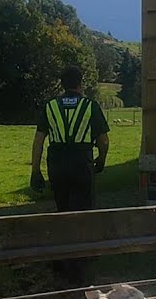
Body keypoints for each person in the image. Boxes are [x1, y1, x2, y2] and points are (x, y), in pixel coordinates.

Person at [30, 65, 110, 212]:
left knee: (63, 208)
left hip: (57, 163)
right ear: (80, 84)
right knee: (84, 209)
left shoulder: (50, 106)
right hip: (82, 163)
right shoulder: (90, 106)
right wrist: (101, 159)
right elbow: (103, 140)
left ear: (62, 84)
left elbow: (38, 141)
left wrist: (35, 170)